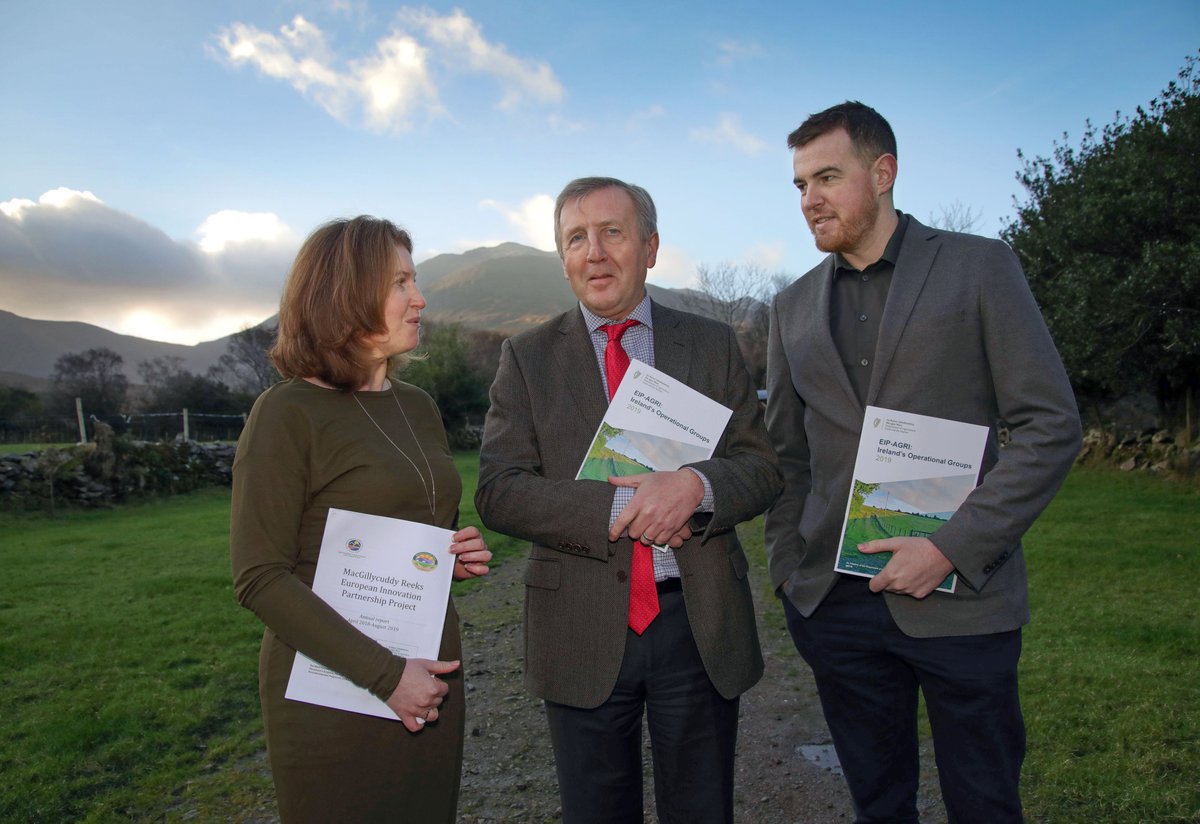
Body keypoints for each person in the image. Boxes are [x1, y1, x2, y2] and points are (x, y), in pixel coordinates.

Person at [764, 101, 1083, 823]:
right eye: (799, 184)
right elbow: (786, 454)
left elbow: (1050, 425)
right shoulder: (790, 309)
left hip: (963, 601)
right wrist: (790, 570)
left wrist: (950, 548)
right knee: (879, 805)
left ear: (883, 173)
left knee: (986, 803)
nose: (810, 198)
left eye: (827, 177)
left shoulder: (978, 267)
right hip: (835, 604)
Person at [475, 177, 781, 824]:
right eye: (576, 238)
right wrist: (617, 512)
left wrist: (696, 486)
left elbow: (760, 467)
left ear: (650, 246)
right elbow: (499, 490)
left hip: (696, 623)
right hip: (580, 625)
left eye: (612, 232)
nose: (595, 253)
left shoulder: (711, 345)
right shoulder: (526, 359)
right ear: (562, 257)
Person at [229, 216, 492, 823]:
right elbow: (258, 575)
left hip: (427, 671)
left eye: (414, 280)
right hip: (332, 686)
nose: (419, 297)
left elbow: (406, 528)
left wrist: (453, 553)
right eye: (400, 282)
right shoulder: (285, 413)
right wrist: (384, 675)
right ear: (345, 294)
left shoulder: (419, 407)